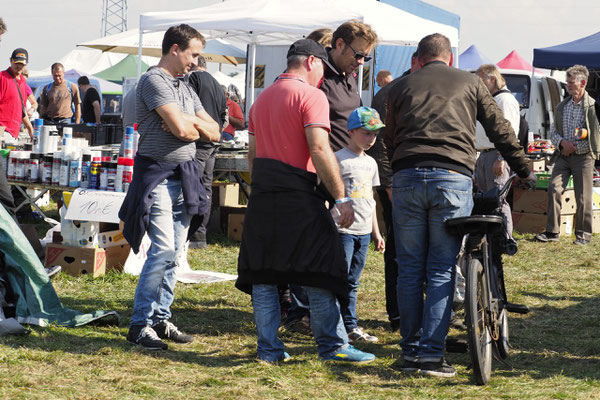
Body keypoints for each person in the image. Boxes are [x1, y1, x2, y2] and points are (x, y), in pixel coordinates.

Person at [384, 33, 536, 377]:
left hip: (407, 178)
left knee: (409, 270)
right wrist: (524, 169)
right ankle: (431, 357)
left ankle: (410, 353)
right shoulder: (470, 82)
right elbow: (500, 129)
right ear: (450, 58)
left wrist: (400, 169)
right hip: (451, 179)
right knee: (440, 268)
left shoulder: (399, 88)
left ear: (419, 60)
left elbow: (388, 138)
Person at [236, 38, 375, 365]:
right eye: (322, 69)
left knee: (264, 275)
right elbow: (319, 147)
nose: (322, 76)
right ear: (312, 61)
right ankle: (333, 345)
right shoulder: (312, 95)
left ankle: (268, 350)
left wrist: (265, 189)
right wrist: (341, 197)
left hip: (265, 195)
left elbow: (252, 157)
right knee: (320, 271)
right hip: (300, 194)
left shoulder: (260, 100)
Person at [119, 24, 220, 350]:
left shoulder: (186, 88)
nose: (195, 61)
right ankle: (140, 324)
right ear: (175, 49)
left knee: (175, 254)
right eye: (193, 54)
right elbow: (182, 130)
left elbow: (216, 131)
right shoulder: (154, 80)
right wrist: (191, 125)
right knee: (162, 250)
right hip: (160, 176)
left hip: (185, 176)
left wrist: (188, 123)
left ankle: (160, 317)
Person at [368, 51, 419, 332]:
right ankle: (398, 314)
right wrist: (388, 186)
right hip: (397, 183)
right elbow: (379, 146)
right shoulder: (389, 93)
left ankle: (414, 312)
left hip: (419, 180)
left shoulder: (427, 89)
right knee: (398, 249)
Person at [334, 106, 385, 343]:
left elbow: (371, 200)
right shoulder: (338, 159)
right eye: (366, 133)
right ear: (351, 131)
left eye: (374, 134)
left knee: (353, 280)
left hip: (364, 232)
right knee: (340, 278)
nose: (371, 138)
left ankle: (350, 325)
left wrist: (376, 232)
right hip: (342, 231)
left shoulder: (371, 164)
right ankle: (337, 325)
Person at [535, 65, 599, 246]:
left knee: (583, 197)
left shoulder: (593, 107)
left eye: (571, 83)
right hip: (563, 155)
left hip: (584, 157)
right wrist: (563, 144)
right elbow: (553, 132)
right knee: (553, 188)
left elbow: (596, 137)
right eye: (568, 82)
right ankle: (552, 232)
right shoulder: (562, 106)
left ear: (583, 83)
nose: (568, 86)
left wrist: (574, 147)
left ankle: (583, 235)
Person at [474, 64, 521, 243]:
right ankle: (494, 237)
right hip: (486, 154)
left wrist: (501, 158)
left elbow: (509, 133)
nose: (479, 84)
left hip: (496, 154)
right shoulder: (494, 99)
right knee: (487, 200)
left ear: (491, 79)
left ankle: (506, 239)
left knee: (498, 200)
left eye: (481, 80)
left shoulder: (505, 100)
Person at [185, 55, 227, 248]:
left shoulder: (193, 79)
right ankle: (201, 235)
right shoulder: (218, 84)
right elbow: (224, 117)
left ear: (194, 64)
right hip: (213, 141)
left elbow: (186, 108)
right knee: (206, 187)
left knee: (193, 186)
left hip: (199, 141)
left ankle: (193, 234)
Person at [321, 20, 378, 151]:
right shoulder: (317, 72)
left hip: (350, 165)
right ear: (340, 44)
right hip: (324, 166)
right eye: (358, 55)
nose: (362, 62)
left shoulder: (349, 74)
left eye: (366, 58)